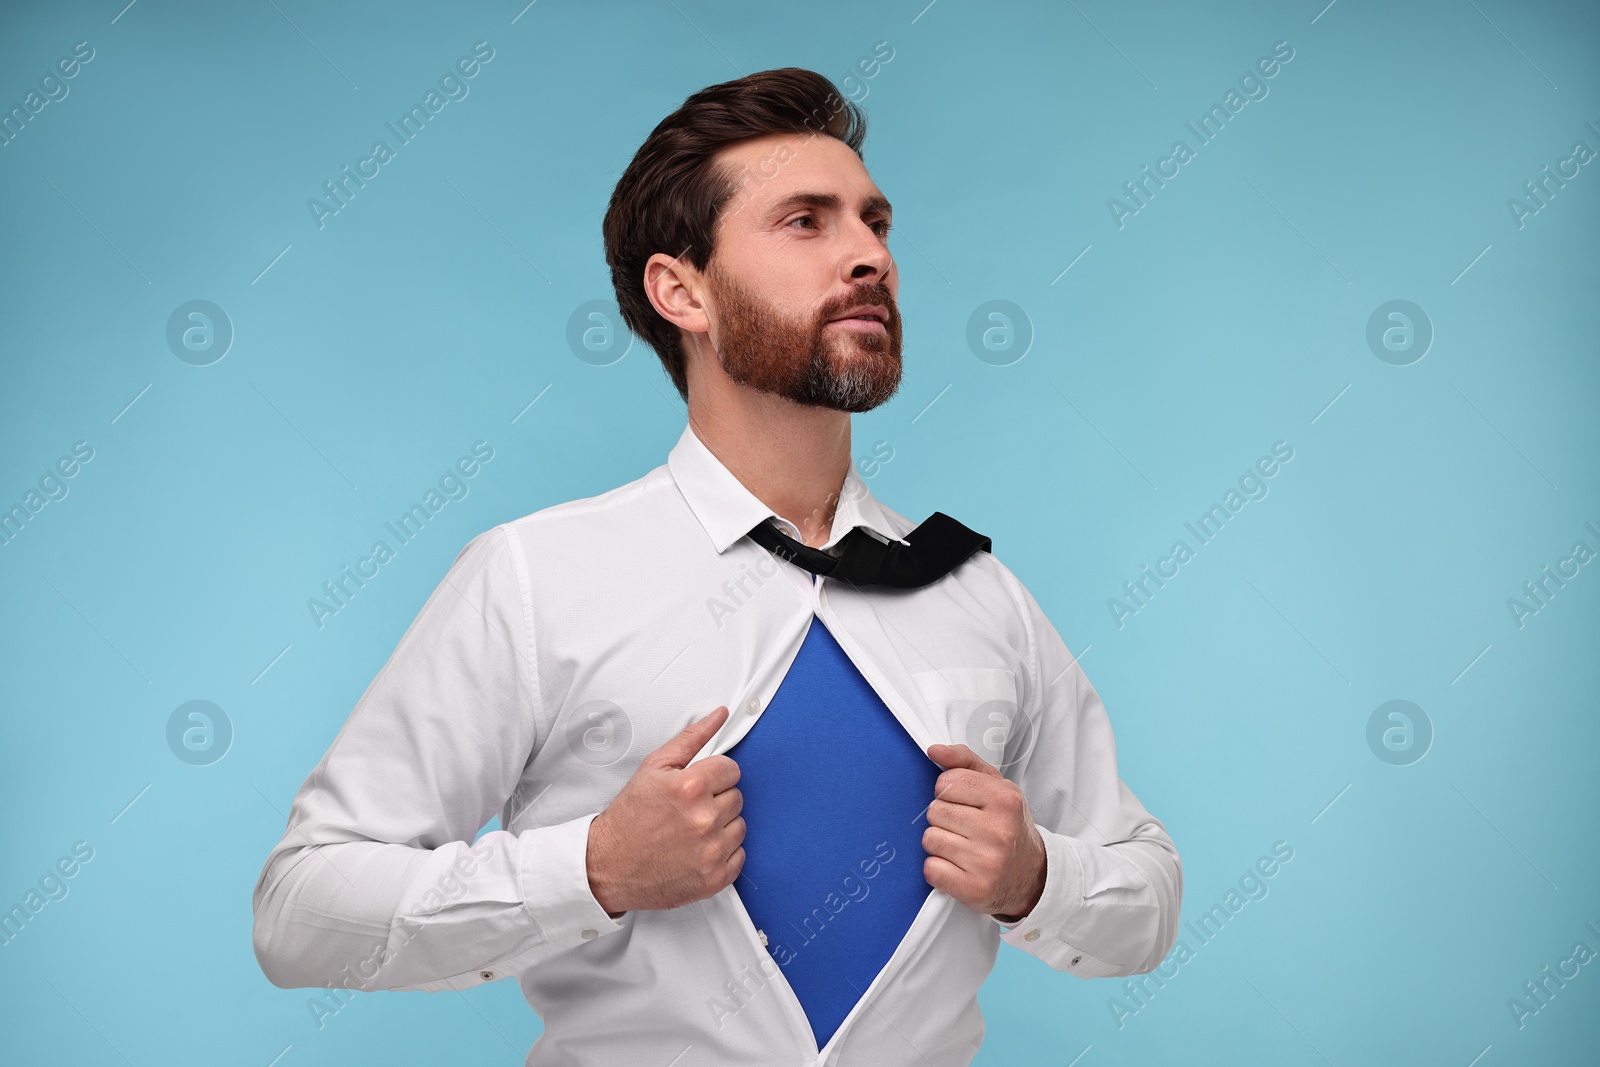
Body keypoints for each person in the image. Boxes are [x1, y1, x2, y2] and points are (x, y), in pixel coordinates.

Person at [252, 66, 1182, 1066]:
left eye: (876, 223)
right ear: (681, 289)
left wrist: (1037, 877)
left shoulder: (973, 591)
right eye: (805, 222)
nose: (869, 255)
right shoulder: (533, 577)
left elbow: (1147, 897)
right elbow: (300, 910)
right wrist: (593, 868)